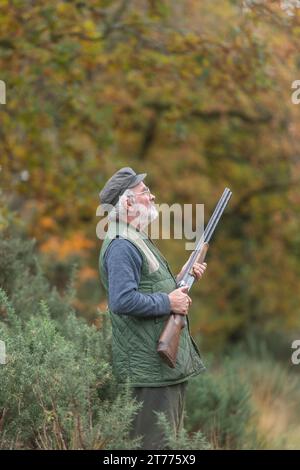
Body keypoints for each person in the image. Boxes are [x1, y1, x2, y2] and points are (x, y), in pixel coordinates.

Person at [98, 167, 207, 450]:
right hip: (149, 372)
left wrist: (183, 277)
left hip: (160, 370)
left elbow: (149, 286)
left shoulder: (136, 238)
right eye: (145, 192)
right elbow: (123, 300)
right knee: (155, 448)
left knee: (168, 445)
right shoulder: (122, 244)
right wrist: (169, 302)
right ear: (128, 203)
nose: (153, 196)